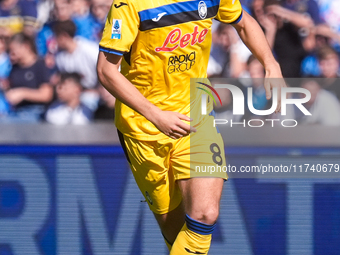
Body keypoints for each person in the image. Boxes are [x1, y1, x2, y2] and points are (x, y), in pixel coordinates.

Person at [96, 0, 285, 254]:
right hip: (143, 129)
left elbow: (243, 21)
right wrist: (156, 115)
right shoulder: (130, 4)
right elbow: (107, 70)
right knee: (176, 236)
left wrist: (270, 62)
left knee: (205, 215)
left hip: (195, 114)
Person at [4, 33, 53, 122]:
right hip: (16, 112)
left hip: (37, 111)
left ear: (26, 46)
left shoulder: (40, 65)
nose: (11, 54)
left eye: (13, 50)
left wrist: (23, 93)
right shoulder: (14, 68)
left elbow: (46, 95)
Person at [53, 20, 99, 110]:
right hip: (73, 95)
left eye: (56, 37)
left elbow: (106, 71)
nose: (54, 40)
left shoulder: (90, 50)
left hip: (94, 94)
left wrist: (99, 91)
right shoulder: (60, 57)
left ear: (64, 36)